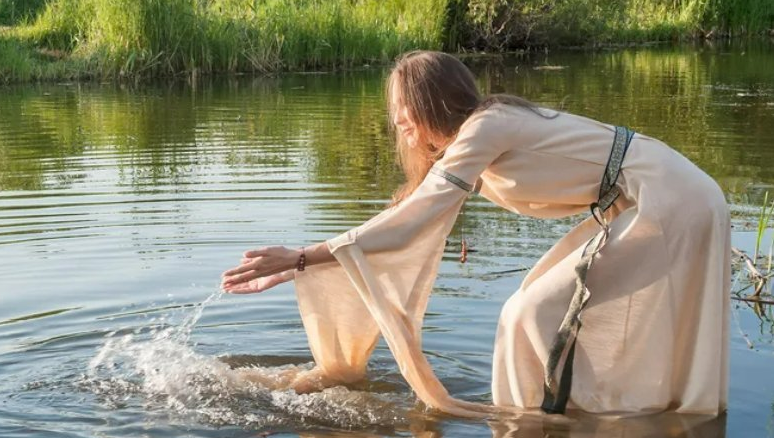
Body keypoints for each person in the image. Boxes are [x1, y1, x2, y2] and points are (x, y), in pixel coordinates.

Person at [221, 50, 730, 417]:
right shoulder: (475, 140)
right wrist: (305, 263)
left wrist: (304, 256)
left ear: (429, 103)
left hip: (667, 198)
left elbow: (413, 223)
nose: (397, 121)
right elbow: (405, 216)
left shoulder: (487, 126)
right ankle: (549, 416)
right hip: (640, 198)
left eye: (402, 108)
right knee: (532, 310)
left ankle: (536, 424)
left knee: (527, 312)